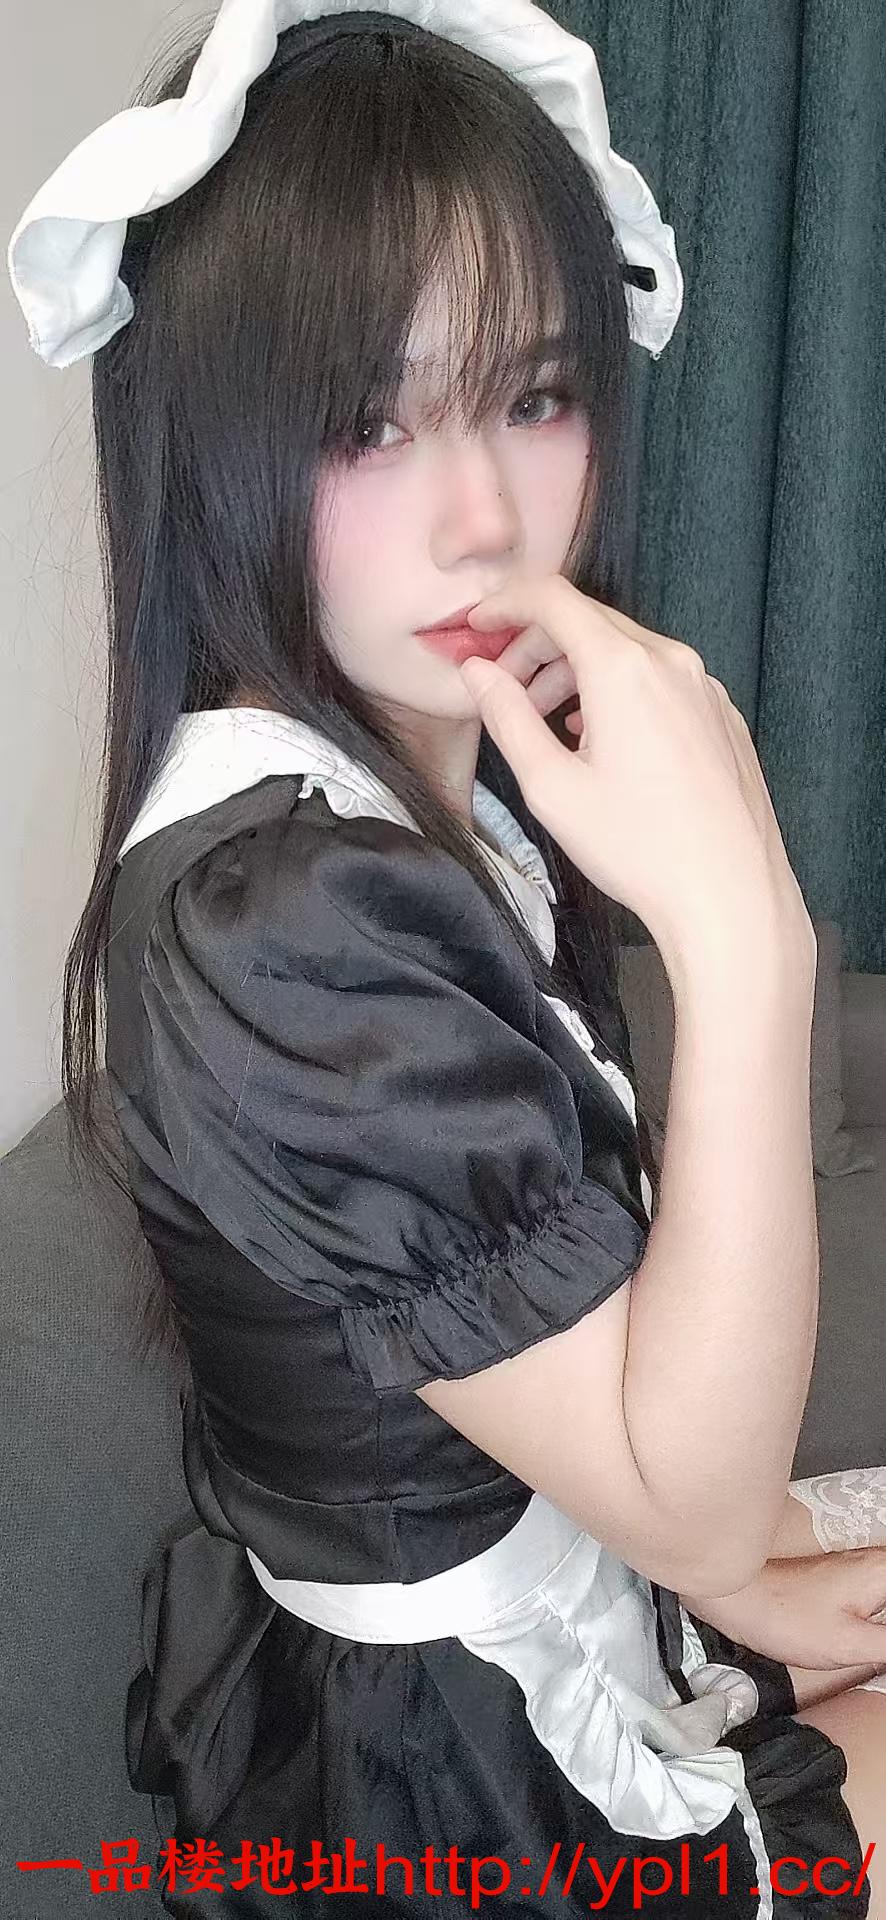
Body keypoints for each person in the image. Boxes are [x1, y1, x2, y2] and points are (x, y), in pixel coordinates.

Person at [8, 4, 886, 1914]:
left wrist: (734, 1579)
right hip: (460, 1784)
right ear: (215, 445)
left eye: (534, 395)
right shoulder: (279, 914)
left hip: (550, 1582)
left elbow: (568, 1385)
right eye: (367, 422)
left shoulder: (402, 797)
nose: (484, 520)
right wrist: (744, 936)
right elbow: (692, 1497)